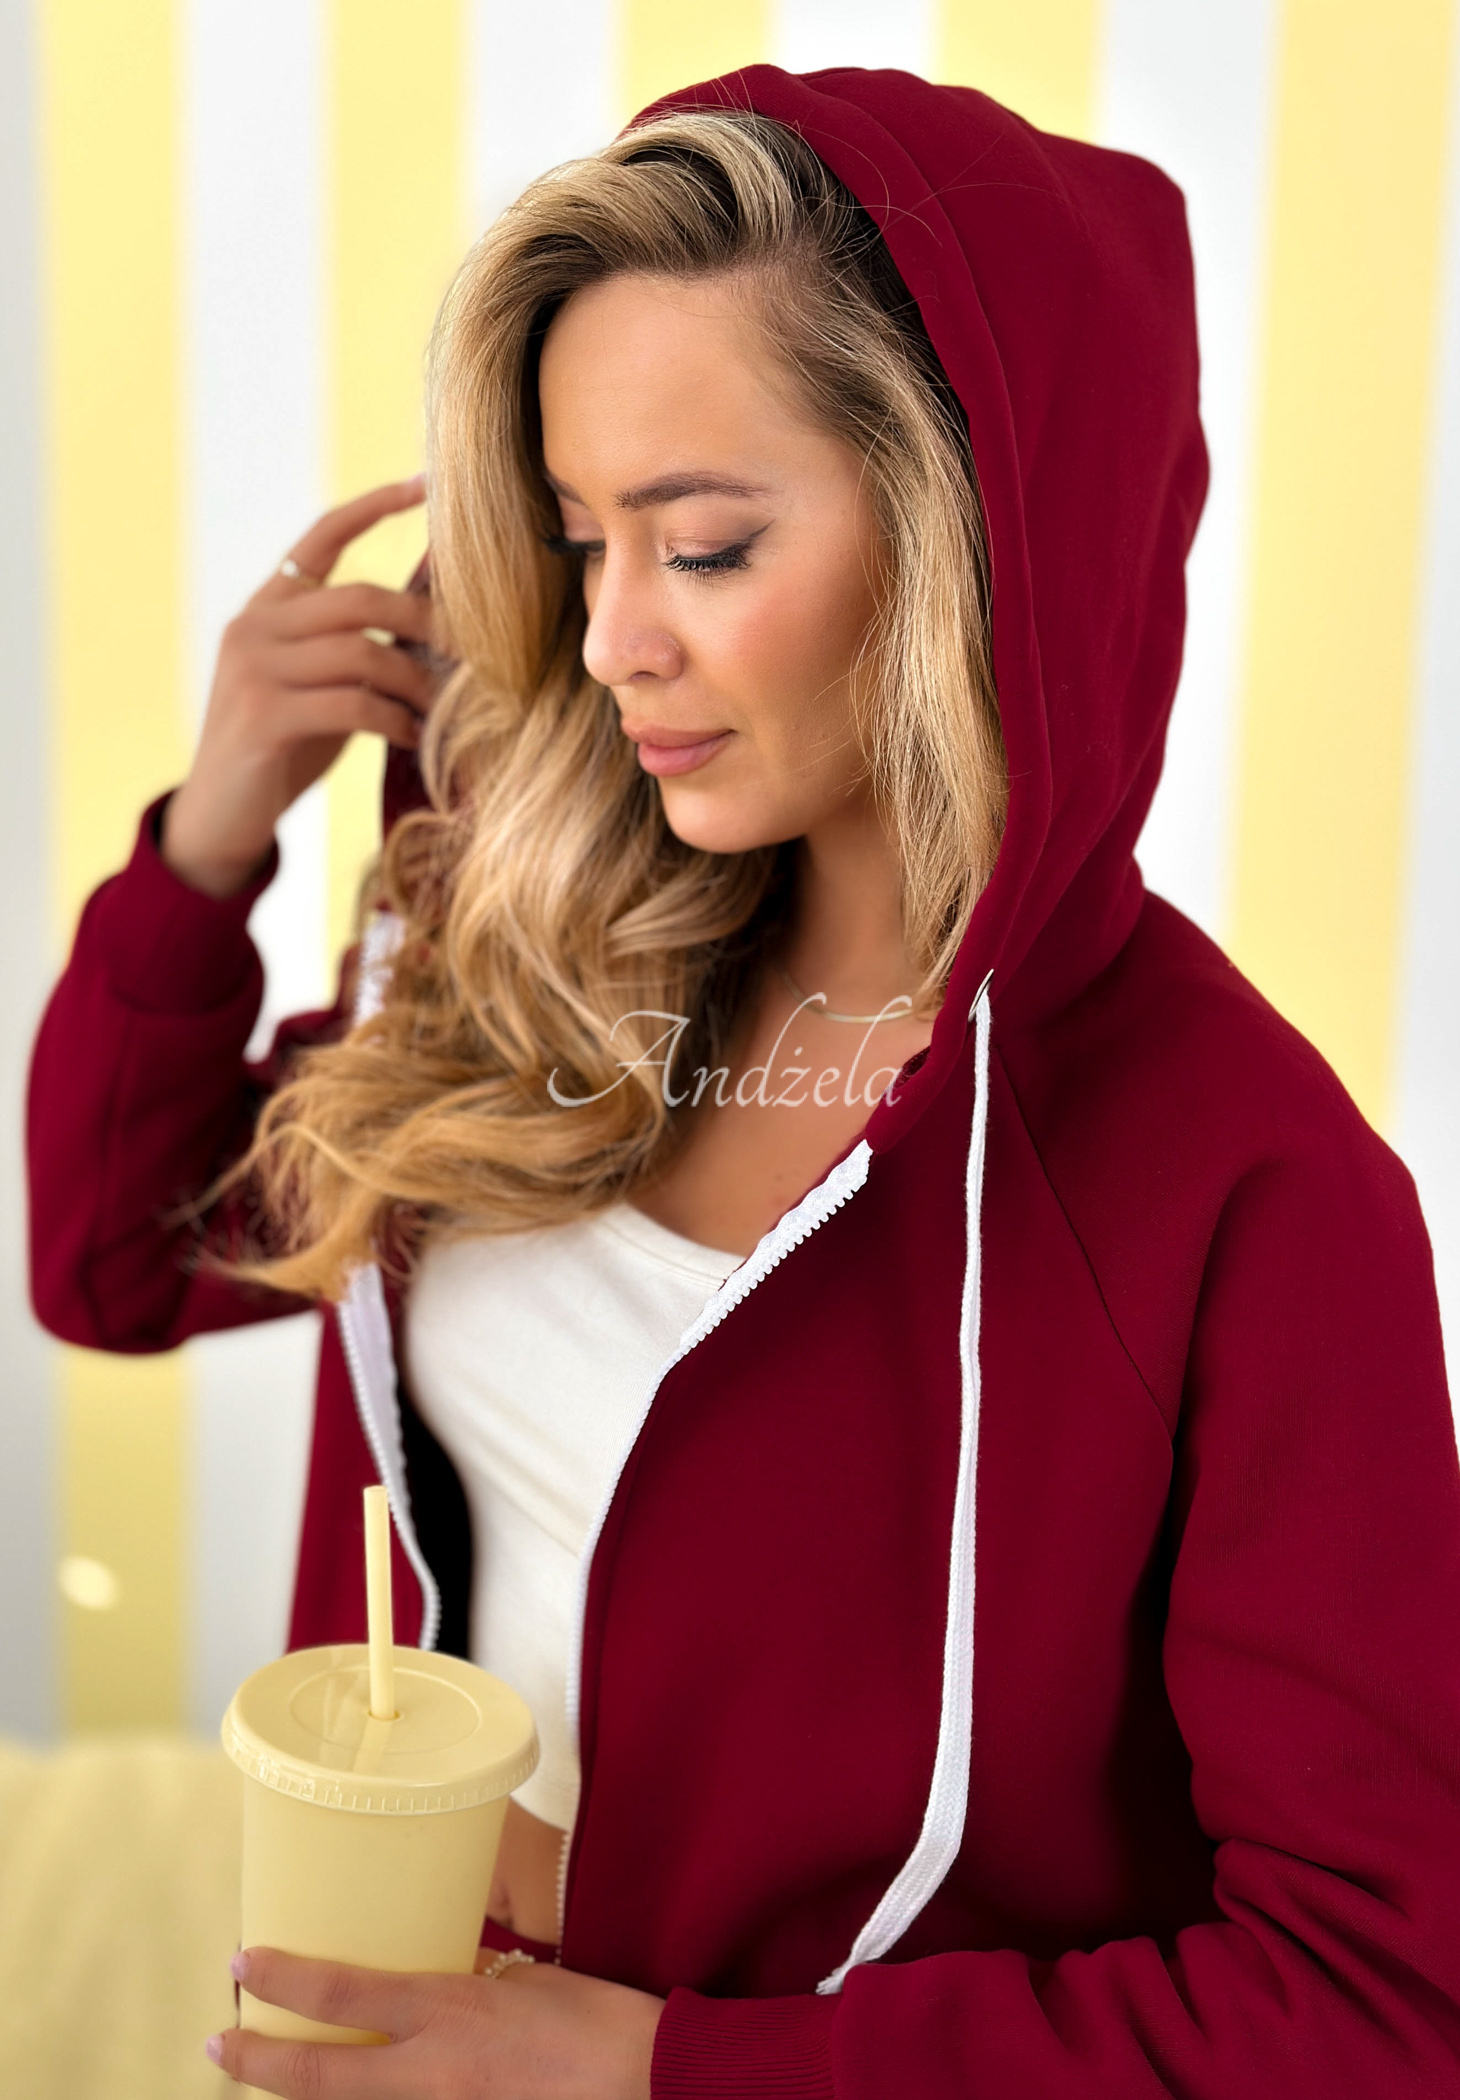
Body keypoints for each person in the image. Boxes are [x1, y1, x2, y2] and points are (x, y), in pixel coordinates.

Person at [26, 61, 1460, 2100]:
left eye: (701, 546)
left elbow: (1379, 2006)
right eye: (574, 539)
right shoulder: (539, 946)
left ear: (977, 541)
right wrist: (208, 847)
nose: (610, 638)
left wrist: (655, 2068)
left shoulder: (1250, 1191)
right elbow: (109, 1262)